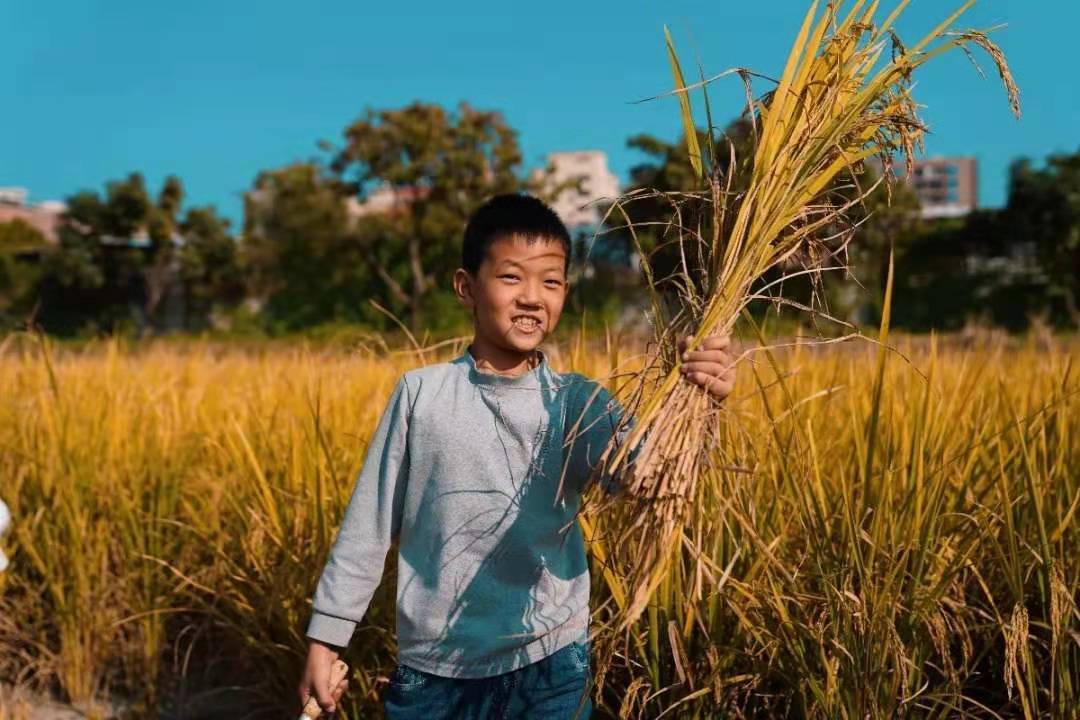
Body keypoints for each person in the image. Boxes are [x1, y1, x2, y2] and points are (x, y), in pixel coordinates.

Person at [297, 193, 736, 719]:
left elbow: (650, 477)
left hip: (548, 662)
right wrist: (325, 640)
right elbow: (369, 525)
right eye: (511, 278)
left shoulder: (578, 403)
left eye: (550, 283)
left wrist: (701, 402)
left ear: (565, 294)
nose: (532, 297)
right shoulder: (421, 395)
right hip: (435, 672)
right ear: (467, 287)